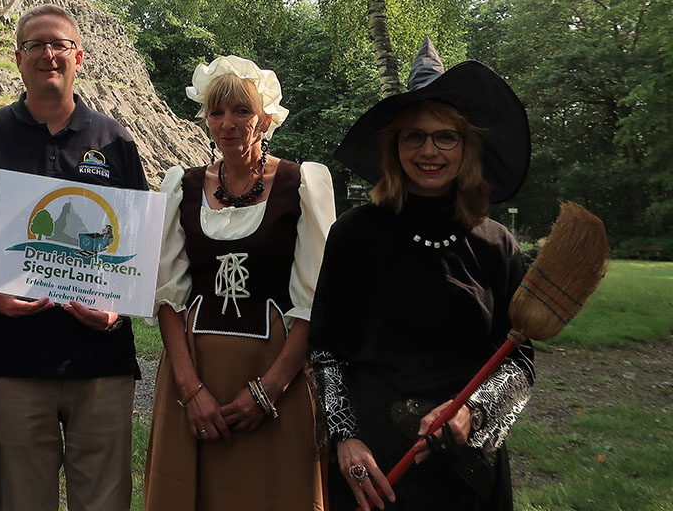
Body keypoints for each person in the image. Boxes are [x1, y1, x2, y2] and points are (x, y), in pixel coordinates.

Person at [308, 38, 535, 511]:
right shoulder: (354, 234)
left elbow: (519, 361)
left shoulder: (495, 244)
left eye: (445, 136)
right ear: (394, 146)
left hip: (466, 470)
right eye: (414, 136)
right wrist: (344, 440)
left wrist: (472, 413)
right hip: (371, 468)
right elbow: (325, 347)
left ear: (466, 146)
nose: (429, 150)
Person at [0, 4, 147, 511]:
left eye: (59, 44)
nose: (48, 54)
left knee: (104, 501)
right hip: (13, 360)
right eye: (35, 45)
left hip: (101, 362)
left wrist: (118, 309)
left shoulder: (115, 141)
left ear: (78, 57)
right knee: (21, 500)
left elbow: (139, 248)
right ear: (18, 58)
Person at [144, 56, 334, 510]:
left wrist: (269, 390)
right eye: (216, 112)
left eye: (241, 112)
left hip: (275, 373)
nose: (227, 124)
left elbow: (314, 301)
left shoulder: (302, 183)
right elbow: (167, 296)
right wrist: (190, 390)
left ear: (266, 117)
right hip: (195, 370)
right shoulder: (181, 187)